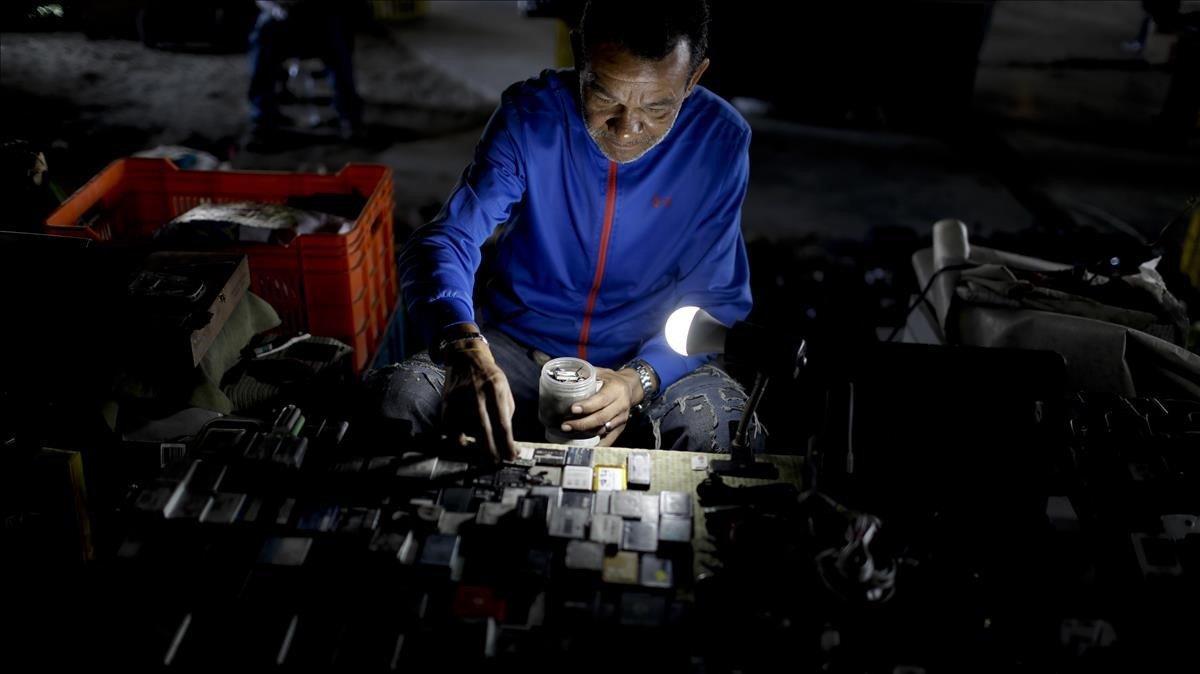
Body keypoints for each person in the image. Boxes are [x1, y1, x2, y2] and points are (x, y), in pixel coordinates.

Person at [370, 0, 761, 460]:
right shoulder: (530, 118)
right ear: (579, 53)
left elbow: (717, 306)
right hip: (512, 347)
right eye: (603, 96)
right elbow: (445, 241)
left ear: (693, 79)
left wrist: (639, 378)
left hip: (648, 355)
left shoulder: (720, 142)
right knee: (400, 399)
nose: (628, 129)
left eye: (658, 107)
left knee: (721, 431)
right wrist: (464, 347)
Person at [246, 1, 365, 142]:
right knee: (262, 33)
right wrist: (275, 8)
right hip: (280, 19)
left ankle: (349, 116)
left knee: (337, 38)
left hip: (319, 18)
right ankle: (262, 118)